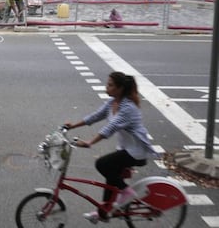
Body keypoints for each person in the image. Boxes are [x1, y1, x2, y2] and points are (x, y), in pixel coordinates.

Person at [65, 71, 158, 224]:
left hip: (137, 151)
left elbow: (111, 127)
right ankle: (102, 212)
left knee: (102, 164)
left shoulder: (128, 108)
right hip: (125, 149)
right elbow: (95, 116)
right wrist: (72, 126)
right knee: (110, 175)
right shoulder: (112, 102)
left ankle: (127, 192)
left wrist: (89, 142)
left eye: (110, 85)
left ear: (120, 89)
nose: (106, 87)